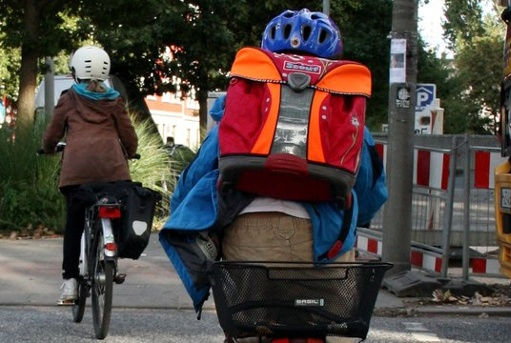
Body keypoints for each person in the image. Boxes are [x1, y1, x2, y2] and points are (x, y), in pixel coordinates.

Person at [160, 8, 387, 343]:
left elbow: (195, 180)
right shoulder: (347, 114)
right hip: (324, 244)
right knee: (330, 327)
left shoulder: (236, 108)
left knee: (248, 329)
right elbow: (370, 194)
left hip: (250, 240)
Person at [42, 45, 138, 305]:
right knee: (116, 207)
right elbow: (128, 136)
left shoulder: (68, 98)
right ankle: (111, 256)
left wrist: (48, 148)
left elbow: (52, 134)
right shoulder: (115, 100)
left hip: (77, 174)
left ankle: (70, 282)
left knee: (74, 224)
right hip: (113, 172)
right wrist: (130, 152)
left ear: (75, 73)